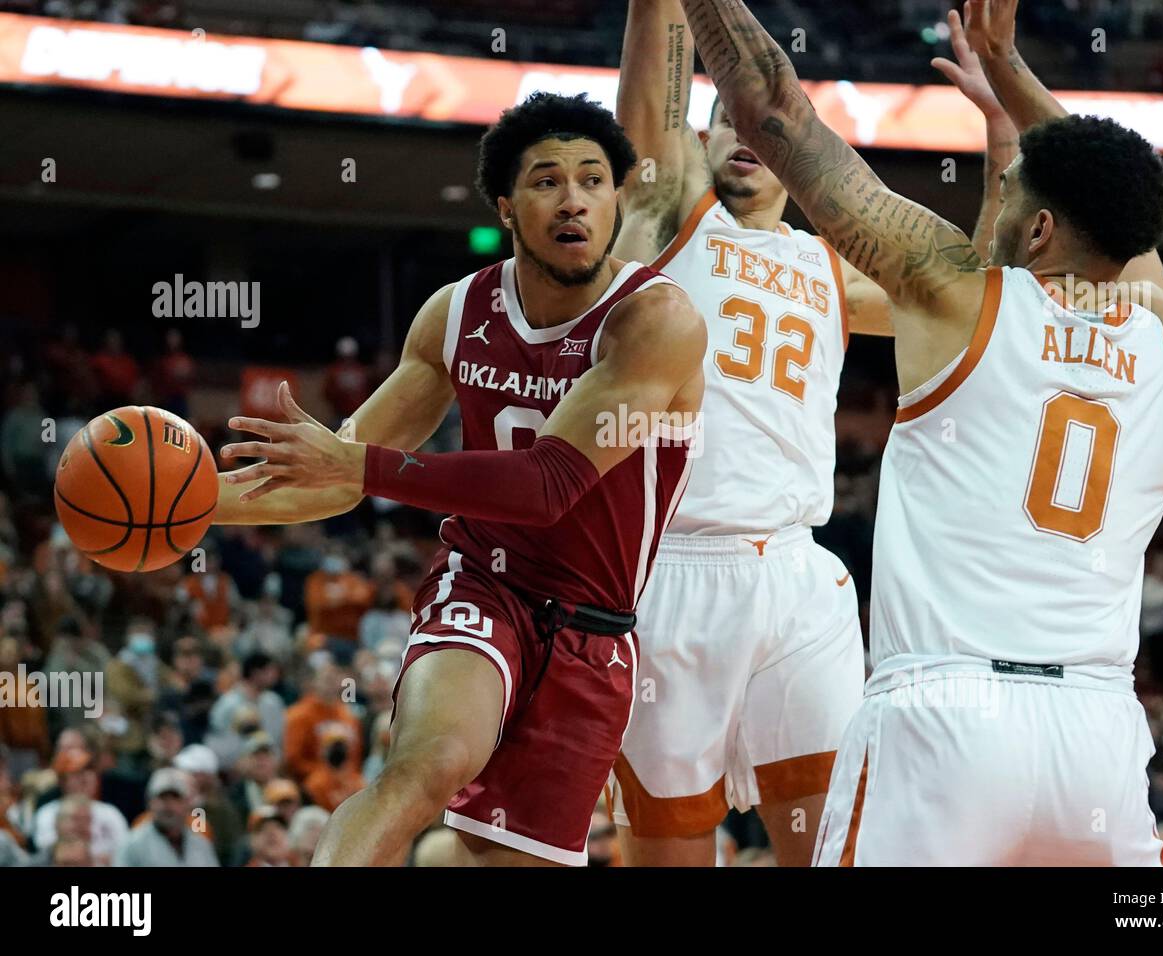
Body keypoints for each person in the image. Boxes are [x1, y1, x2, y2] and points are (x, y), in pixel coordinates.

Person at [683, 0, 1163, 865]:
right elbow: (1119, 199)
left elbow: (770, 107)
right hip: (1099, 736)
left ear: (1036, 229)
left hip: (946, 719)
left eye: (1015, 195)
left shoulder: (955, 290)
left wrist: (1006, 68)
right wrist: (1011, 80)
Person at [215, 91, 706, 866]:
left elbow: (547, 485)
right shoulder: (456, 311)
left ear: (617, 197)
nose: (573, 199)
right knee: (426, 765)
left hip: (594, 627)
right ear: (507, 207)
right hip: (482, 583)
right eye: (547, 181)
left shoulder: (655, 322)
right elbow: (336, 477)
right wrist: (190, 506)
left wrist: (361, 463)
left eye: (592, 179)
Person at [606, 0, 895, 867]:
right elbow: (647, 117)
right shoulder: (670, 220)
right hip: (674, 578)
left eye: (755, 119)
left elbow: (963, 296)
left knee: (835, 845)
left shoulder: (831, 264)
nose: (739, 131)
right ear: (697, 136)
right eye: (719, 116)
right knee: (673, 851)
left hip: (800, 576)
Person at [113, 768, 219, 867]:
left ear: (187, 803)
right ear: (150, 803)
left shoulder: (201, 844)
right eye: (163, 798)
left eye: (176, 798)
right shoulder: (132, 845)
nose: (169, 806)